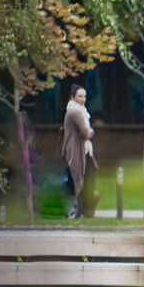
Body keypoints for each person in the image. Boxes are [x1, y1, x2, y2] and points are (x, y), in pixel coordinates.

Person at [62, 85, 95, 217]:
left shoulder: (81, 111)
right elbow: (86, 132)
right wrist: (90, 132)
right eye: (80, 96)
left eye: (84, 96)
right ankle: (73, 210)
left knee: (82, 179)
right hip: (76, 151)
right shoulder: (74, 112)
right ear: (73, 97)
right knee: (76, 180)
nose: (83, 99)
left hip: (83, 151)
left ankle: (83, 210)